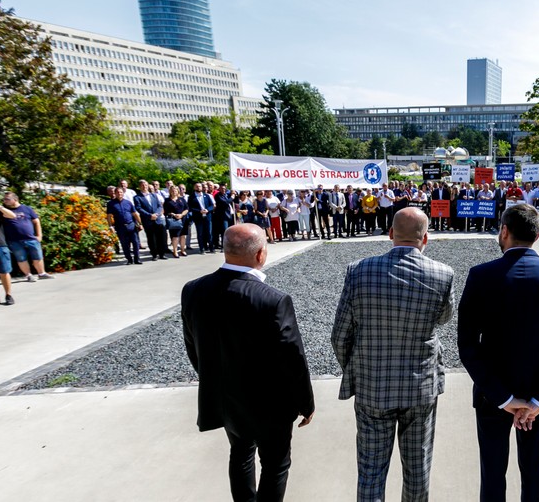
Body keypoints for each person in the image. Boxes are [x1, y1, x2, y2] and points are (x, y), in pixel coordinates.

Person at [458, 203, 539, 502]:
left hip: (493, 395)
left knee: (492, 472)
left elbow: (467, 344)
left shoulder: (481, 275)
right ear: (538, 235)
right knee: (534, 471)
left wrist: (503, 397)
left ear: (504, 231)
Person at [181, 224, 315, 502]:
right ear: (260, 254)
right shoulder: (273, 300)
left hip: (226, 399)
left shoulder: (193, 290)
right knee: (276, 464)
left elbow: (193, 347)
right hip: (270, 404)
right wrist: (306, 402)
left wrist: (215, 381)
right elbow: (292, 358)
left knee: (240, 454)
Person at [331, 208, 455, 501]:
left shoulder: (358, 270)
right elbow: (444, 318)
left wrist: (358, 368)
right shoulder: (442, 273)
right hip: (420, 387)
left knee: (371, 471)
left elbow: (340, 334)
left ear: (390, 234)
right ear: (425, 238)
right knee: (417, 469)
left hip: (373, 387)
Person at [0, 192, 54, 281]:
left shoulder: (27, 209)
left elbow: (36, 221)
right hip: (14, 240)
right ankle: (28, 275)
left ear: (15, 199)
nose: (5, 201)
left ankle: (42, 273)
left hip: (31, 238)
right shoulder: (4, 210)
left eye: (7, 199)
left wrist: (39, 235)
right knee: (21, 258)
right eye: (4, 199)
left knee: (37, 256)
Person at [106, 186, 143, 265]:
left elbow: (135, 214)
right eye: (118, 192)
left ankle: (137, 259)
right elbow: (109, 216)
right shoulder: (111, 204)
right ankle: (129, 259)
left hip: (131, 225)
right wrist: (110, 226)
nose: (119, 194)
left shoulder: (128, 202)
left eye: (121, 192)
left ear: (123, 193)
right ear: (115, 193)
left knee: (136, 242)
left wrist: (140, 224)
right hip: (120, 227)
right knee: (124, 244)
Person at [133, 180, 169, 260]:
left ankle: (162, 254)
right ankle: (154, 254)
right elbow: (139, 208)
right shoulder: (137, 197)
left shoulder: (154, 195)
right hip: (148, 220)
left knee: (161, 237)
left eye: (145, 185)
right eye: (142, 185)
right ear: (139, 187)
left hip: (158, 219)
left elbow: (160, 206)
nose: (144, 186)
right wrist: (150, 215)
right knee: (151, 238)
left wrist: (156, 214)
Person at [188, 183, 215, 254]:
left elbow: (212, 205)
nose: (198, 187)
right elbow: (190, 207)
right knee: (200, 233)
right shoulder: (191, 197)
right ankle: (202, 248)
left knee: (209, 232)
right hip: (198, 217)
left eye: (199, 186)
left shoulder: (206, 195)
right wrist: (199, 211)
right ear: (194, 188)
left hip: (207, 216)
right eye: (197, 186)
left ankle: (211, 248)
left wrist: (208, 210)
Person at [163, 186, 189, 258]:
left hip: (183, 219)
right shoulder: (167, 200)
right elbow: (166, 211)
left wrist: (182, 214)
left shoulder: (181, 199)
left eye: (176, 190)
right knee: (175, 236)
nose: (174, 191)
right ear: (170, 191)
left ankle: (182, 250)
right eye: (172, 190)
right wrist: (174, 214)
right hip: (174, 220)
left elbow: (186, 208)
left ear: (178, 191)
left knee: (183, 236)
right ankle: (175, 251)